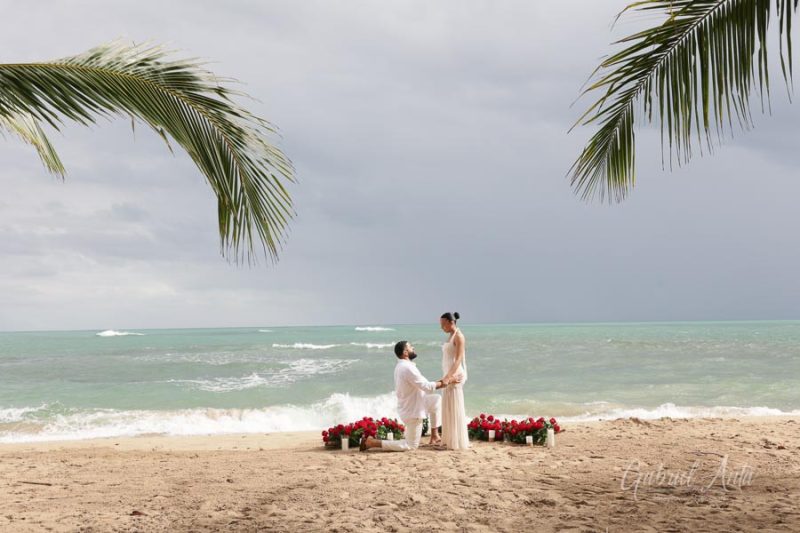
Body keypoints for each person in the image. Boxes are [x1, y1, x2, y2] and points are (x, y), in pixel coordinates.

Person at [360, 340, 456, 452]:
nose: (413, 348)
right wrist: (447, 381)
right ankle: (372, 443)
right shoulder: (407, 368)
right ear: (405, 352)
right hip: (413, 411)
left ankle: (434, 436)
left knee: (436, 400)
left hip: (416, 403)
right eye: (410, 347)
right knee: (411, 446)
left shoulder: (403, 366)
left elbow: (426, 385)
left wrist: (443, 381)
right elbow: (427, 387)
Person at [440, 312, 469, 450]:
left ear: (451, 322)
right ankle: (449, 439)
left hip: (455, 375)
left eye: (443, 324)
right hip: (448, 373)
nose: (441, 327)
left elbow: (458, 360)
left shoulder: (459, 336)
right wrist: (446, 375)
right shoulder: (450, 336)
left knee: (454, 406)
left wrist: (448, 377)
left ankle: (457, 441)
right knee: (448, 406)